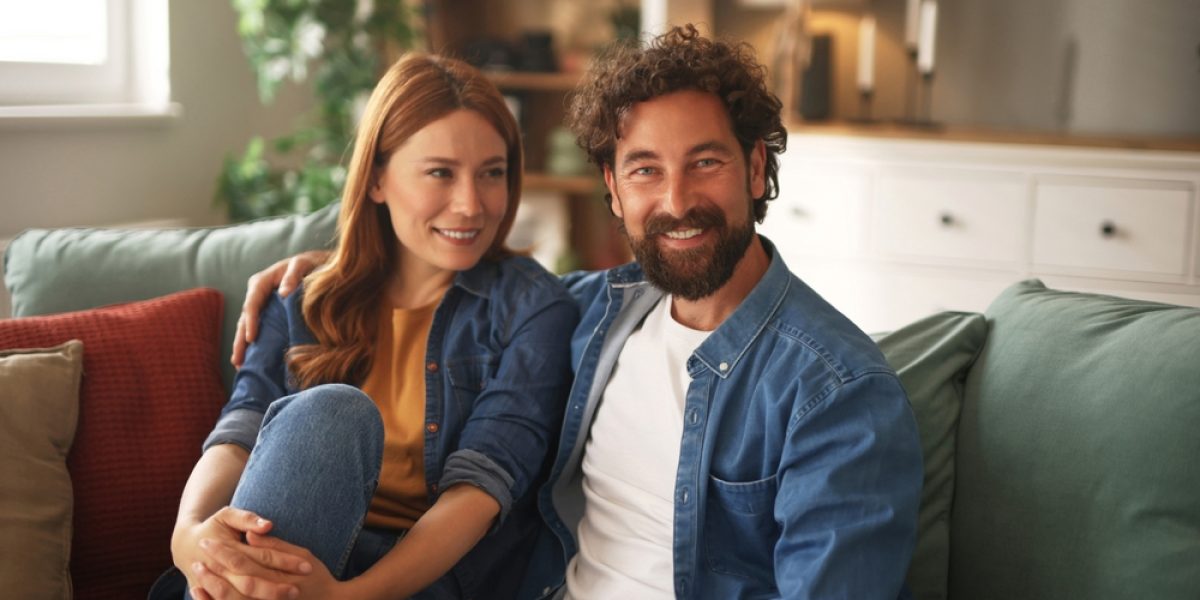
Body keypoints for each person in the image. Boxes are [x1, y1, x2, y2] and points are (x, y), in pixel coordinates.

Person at [236, 26, 923, 599]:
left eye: (705, 162)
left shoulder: (836, 393)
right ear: (614, 191)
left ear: (753, 168)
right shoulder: (588, 313)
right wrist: (324, 269)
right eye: (645, 169)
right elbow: (450, 281)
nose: (676, 199)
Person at [162, 53, 578, 600]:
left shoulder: (535, 310)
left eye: (492, 173)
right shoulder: (302, 296)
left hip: (418, 580)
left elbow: (481, 490)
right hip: (282, 551)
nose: (471, 204)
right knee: (329, 415)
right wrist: (187, 536)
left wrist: (343, 596)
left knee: (336, 410)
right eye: (440, 173)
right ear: (378, 178)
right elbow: (240, 434)